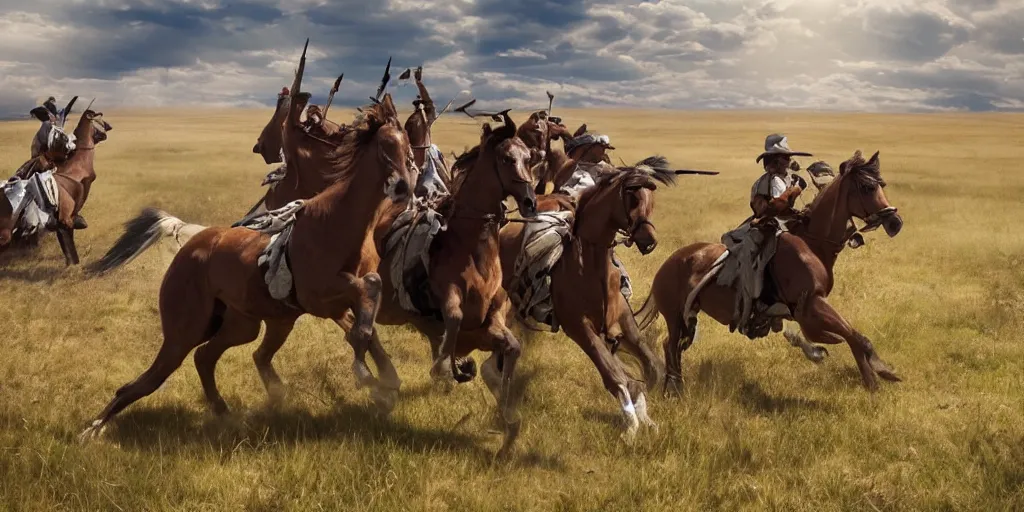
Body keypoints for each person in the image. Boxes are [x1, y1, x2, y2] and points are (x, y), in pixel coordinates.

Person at [718, 134, 811, 338]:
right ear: (775, 160)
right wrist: (796, 189)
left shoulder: (783, 178)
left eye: (787, 158)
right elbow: (778, 206)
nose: (788, 162)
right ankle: (754, 305)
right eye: (784, 158)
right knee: (752, 258)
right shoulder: (771, 181)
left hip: (780, 224)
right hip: (765, 227)